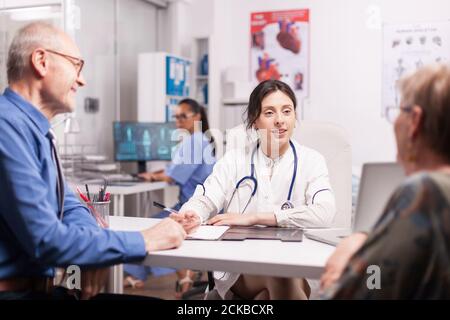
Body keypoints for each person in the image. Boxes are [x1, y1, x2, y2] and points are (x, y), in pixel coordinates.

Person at [0, 22, 187, 300]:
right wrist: (146, 239)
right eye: (77, 65)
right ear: (41, 61)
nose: (82, 80)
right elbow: (46, 241)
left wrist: (93, 252)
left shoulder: (35, 131)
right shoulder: (7, 127)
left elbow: (70, 205)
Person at [171, 79, 337, 300]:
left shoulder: (312, 161)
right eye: (269, 113)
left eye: (286, 111)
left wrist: (255, 218)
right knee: (280, 275)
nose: (280, 120)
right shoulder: (234, 160)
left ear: (295, 117)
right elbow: (205, 197)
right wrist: (192, 213)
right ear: (254, 121)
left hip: (296, 264)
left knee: (275, 286)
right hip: (241, 267)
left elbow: (325, 212)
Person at [321, 63, 450, 299]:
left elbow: (372, 289)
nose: (395, 122)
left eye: (400, 110)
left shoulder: (426, 192)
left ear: (415, 121)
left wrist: (348, 266)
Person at [124, 98, 216, 297]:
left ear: (197, 117)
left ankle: (183, 276)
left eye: (183, 116)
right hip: (190, 204)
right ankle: (179, 275)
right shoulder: (196, 139)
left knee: (150, 227)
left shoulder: (195, 141)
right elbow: (175, 170)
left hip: (192, 208)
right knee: (153, 224)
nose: (178, 121)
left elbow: (173, 176)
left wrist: (155, 176)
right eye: (176, 116)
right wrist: (159, 173)